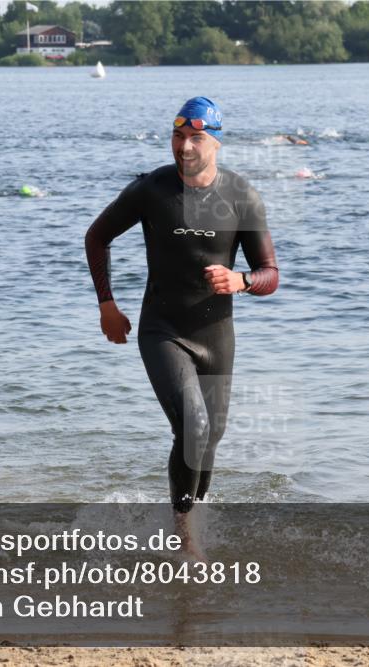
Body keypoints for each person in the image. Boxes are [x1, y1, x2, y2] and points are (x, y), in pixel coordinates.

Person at [85, 97, 279, 560]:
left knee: (210, 439)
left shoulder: (241, 195)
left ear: (214, 141)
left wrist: (242, 280)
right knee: (192, 425)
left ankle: (193, 517)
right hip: (163, 330)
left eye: (195, 138)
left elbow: (270, 273)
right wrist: (107, 305)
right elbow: (97, 236)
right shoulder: (152, 189)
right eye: (177, 137)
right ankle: (185, 539)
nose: (184, 147)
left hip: (216, 336)